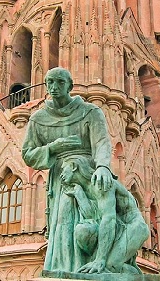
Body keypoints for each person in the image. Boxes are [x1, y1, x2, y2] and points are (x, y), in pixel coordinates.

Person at [21, 67, 115, 273]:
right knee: (63, 222)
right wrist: (54, 147)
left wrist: (102, 166)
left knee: (87, 220)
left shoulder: (90, 112)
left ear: (70, 86)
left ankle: (87, 266)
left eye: (60, 83)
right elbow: (28, 154)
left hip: (88, 173)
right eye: (50, 83)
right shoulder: (38, 119)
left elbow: (101, 143)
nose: (54, 88)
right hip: (61, 176)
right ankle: (65, 268)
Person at [60, 154, 149, 274]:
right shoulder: (85, 188)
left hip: (134, 227)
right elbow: (91, 216)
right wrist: (79, 194)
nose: (61, 174)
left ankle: (138, 275)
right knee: (83, 231)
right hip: (115, 228)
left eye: (63, 169)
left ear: (74, 166)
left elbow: (109, 219)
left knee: (108, 268)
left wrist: (100, 259)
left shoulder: (101, 182)